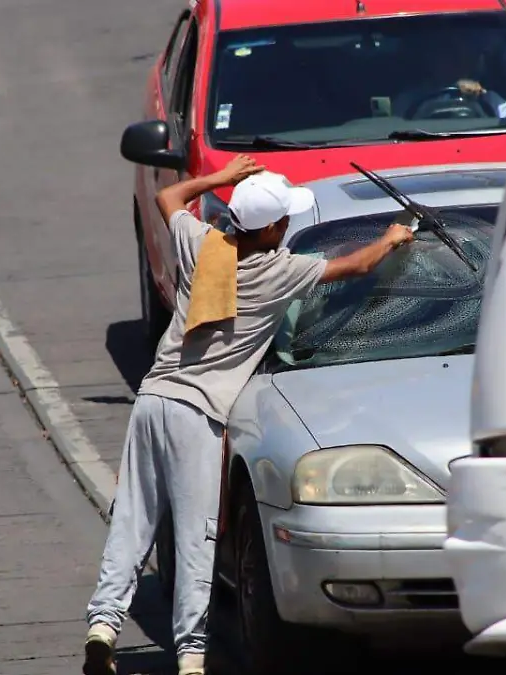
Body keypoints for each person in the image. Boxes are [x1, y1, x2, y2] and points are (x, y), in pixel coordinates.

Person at [82, 155, 414, 675]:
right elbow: (356, 266)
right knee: (197, 536)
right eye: (285, 220)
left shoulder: (202, 244)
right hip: (196, 415)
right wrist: (393, 238)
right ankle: (191, 658)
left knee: (132, 521)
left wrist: (219, 178)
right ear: (275, 228)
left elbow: (168, 197)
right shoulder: (281, 271)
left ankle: (103, 628)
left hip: (152, 400)